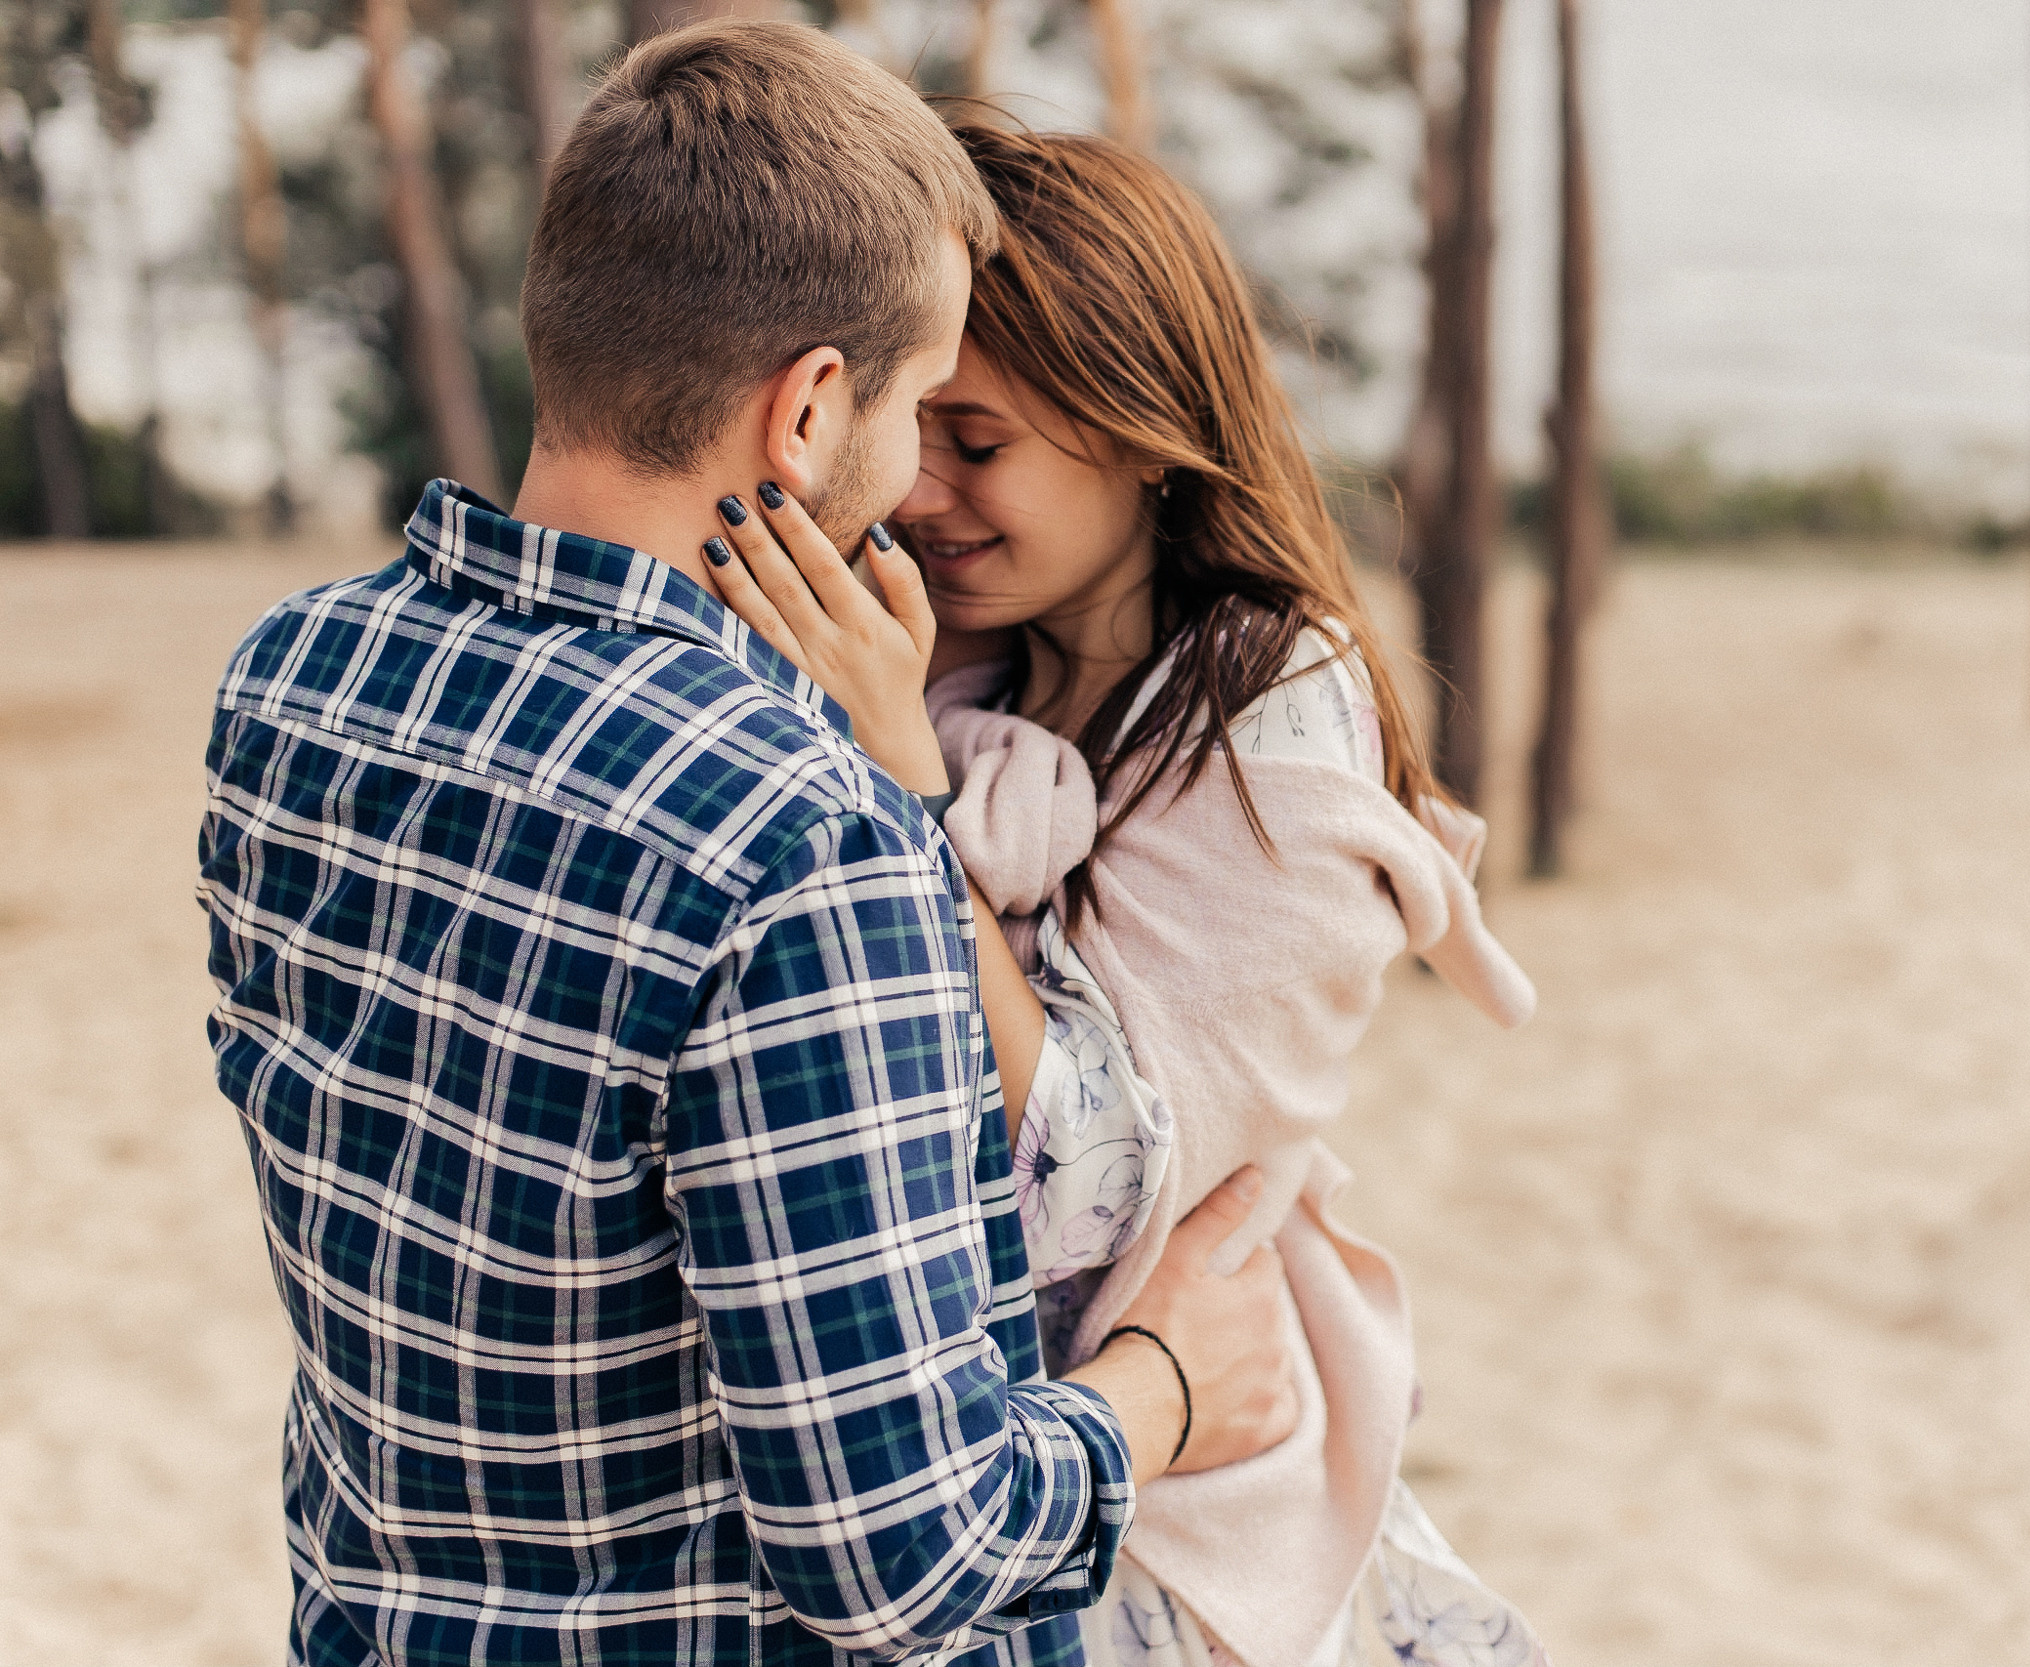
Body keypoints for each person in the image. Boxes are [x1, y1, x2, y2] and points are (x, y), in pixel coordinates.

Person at [196, 26, 1301, 1667]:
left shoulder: (297, 679)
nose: (913, 476)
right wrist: (1166, 1389)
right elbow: (899, 1563)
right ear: (809, 408)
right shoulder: (808, 834)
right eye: (918, 404)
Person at [705, 125, 1549, 1667]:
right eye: (908, 428)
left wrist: (900, 792)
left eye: (980, 443)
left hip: (1155, 1488)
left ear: (1145, 429)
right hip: (980, 1454)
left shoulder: (1270, 723)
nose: (923, 491)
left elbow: (1093, 1183)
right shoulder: (949, 647)